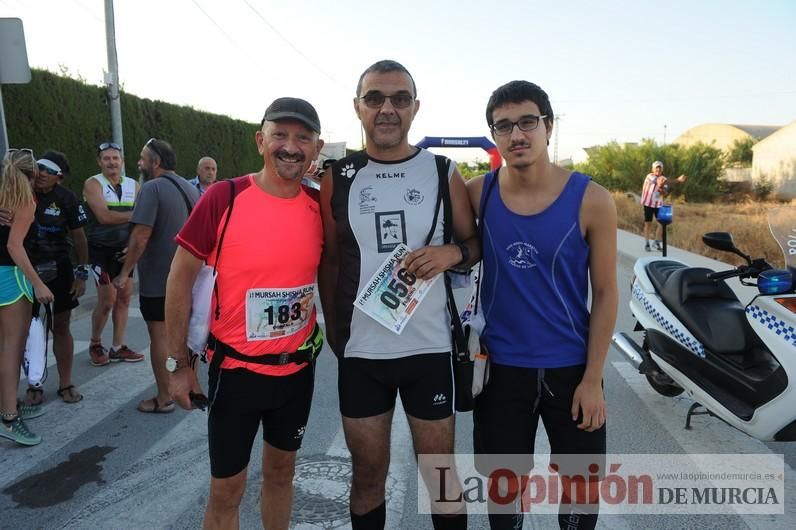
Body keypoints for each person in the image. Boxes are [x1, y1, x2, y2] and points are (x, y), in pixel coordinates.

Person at [319, 59, 478, 530]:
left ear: (415, 108)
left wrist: (451, 252)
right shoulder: (339, 176)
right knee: (367, 476)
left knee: (442, 476)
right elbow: (329, 260)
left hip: (428, 351)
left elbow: (474, 245)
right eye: (375, 98)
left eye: (399, 99)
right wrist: (337, 335)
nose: (387, 109)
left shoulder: (443, 171)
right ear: (357, 108)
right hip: (363, 355)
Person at [165, 97, 325, 529]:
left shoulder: (320, 207)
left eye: (302, 138)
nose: (290, 147)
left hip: (297, 373)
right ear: (261, 140)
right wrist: (178, 365)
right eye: (280, 135)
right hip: (236, 374)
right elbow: (178, 281)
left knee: (281, 474)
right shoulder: (224, 197)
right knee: (227, 490)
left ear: (316, 147)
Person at [465, 81, 618, 530]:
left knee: (581, 491)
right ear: (493, 135)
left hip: (571, 370)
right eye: (504, 126)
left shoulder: (592, 200)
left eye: (528, 122)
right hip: (500, 371)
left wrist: (593, 380)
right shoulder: (478, 193)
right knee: (504, 490)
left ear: (548, 127)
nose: (517, 135)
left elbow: (607, 293)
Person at [113, 138, 199, 414]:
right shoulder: (190, 187)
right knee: (185, 336)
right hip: (191, 277)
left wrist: (124, 272)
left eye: (142, 158)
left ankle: (164, 398)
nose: (138, 163)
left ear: (156, 162)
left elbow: (141, 235)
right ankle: (190, 386)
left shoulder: (151, 188)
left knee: (160, 337)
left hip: (160, 280)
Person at [0, 149, 54, 447]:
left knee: (3, 348)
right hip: (10, 278)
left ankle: (8, 406)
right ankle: (9, 417)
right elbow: (14, 246)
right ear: (32, 174)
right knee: (12, 350)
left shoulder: (4, 194)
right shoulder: (25, 200)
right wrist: (38, 284)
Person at [27, 150, 89, 404]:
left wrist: (82, 272)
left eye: (48, 172)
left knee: (61, 326)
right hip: (26, 270)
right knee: (31, 331)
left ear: (59, 178)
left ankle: (66, 383)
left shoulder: (67, 198)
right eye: (39, 168)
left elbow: (79, 238)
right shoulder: (21, 191)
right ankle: (34, 384)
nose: (41, 174)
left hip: (60, 269)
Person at [83, 142, 144, 366]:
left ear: (122, 162)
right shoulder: (93, 183)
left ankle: (118, 346)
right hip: (101, 249)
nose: (111, 162)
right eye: (106, 158)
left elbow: (141, 222)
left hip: (125, 249)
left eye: (115, 158)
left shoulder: (133, 185)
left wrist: (132, 243)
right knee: (107, 300)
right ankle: (95, 343)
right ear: (99, 162)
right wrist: (135, 214)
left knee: (125, 297)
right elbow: (104, 217)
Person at [640, 160, 686, 251]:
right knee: (648, 224)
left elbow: (664, 193)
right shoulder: (650, 176)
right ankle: (647, 243)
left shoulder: (664, 179)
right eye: (656, 168)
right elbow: (660, 182)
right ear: (652, 169)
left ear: (662, 169)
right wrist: (677, 180)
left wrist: (662, 190)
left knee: (662, 223)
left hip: (658, 204)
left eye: (660, 168)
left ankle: (656, 242)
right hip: (648, 204)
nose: (658, 170)